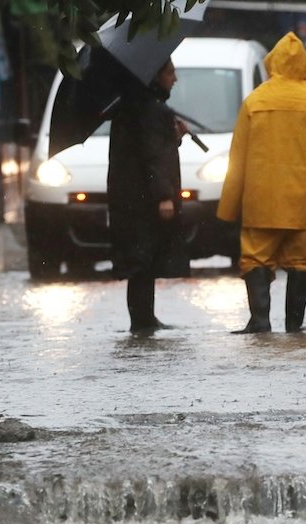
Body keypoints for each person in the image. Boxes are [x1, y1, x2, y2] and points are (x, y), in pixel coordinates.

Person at [217, 32, 306, 333]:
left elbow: (237, 159)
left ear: (273, 62)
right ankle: (294, 326)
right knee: (302, 259)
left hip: (261, 199)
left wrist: (227, 209)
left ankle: (260, 321)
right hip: (304, 200)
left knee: (256, 256)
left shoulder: (255, 101)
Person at [107, 58, 191, 333]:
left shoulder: (137, 107)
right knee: (143, 262)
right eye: (170, 73)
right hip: (143, 202)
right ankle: (141, 321)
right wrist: (164, 196)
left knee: (143, 261)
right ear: (155, 77)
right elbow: (153, 156)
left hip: (132, 199)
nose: (174, 79)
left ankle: (144, 318)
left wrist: (175, 135)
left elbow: (151, 148)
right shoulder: (150, 110)